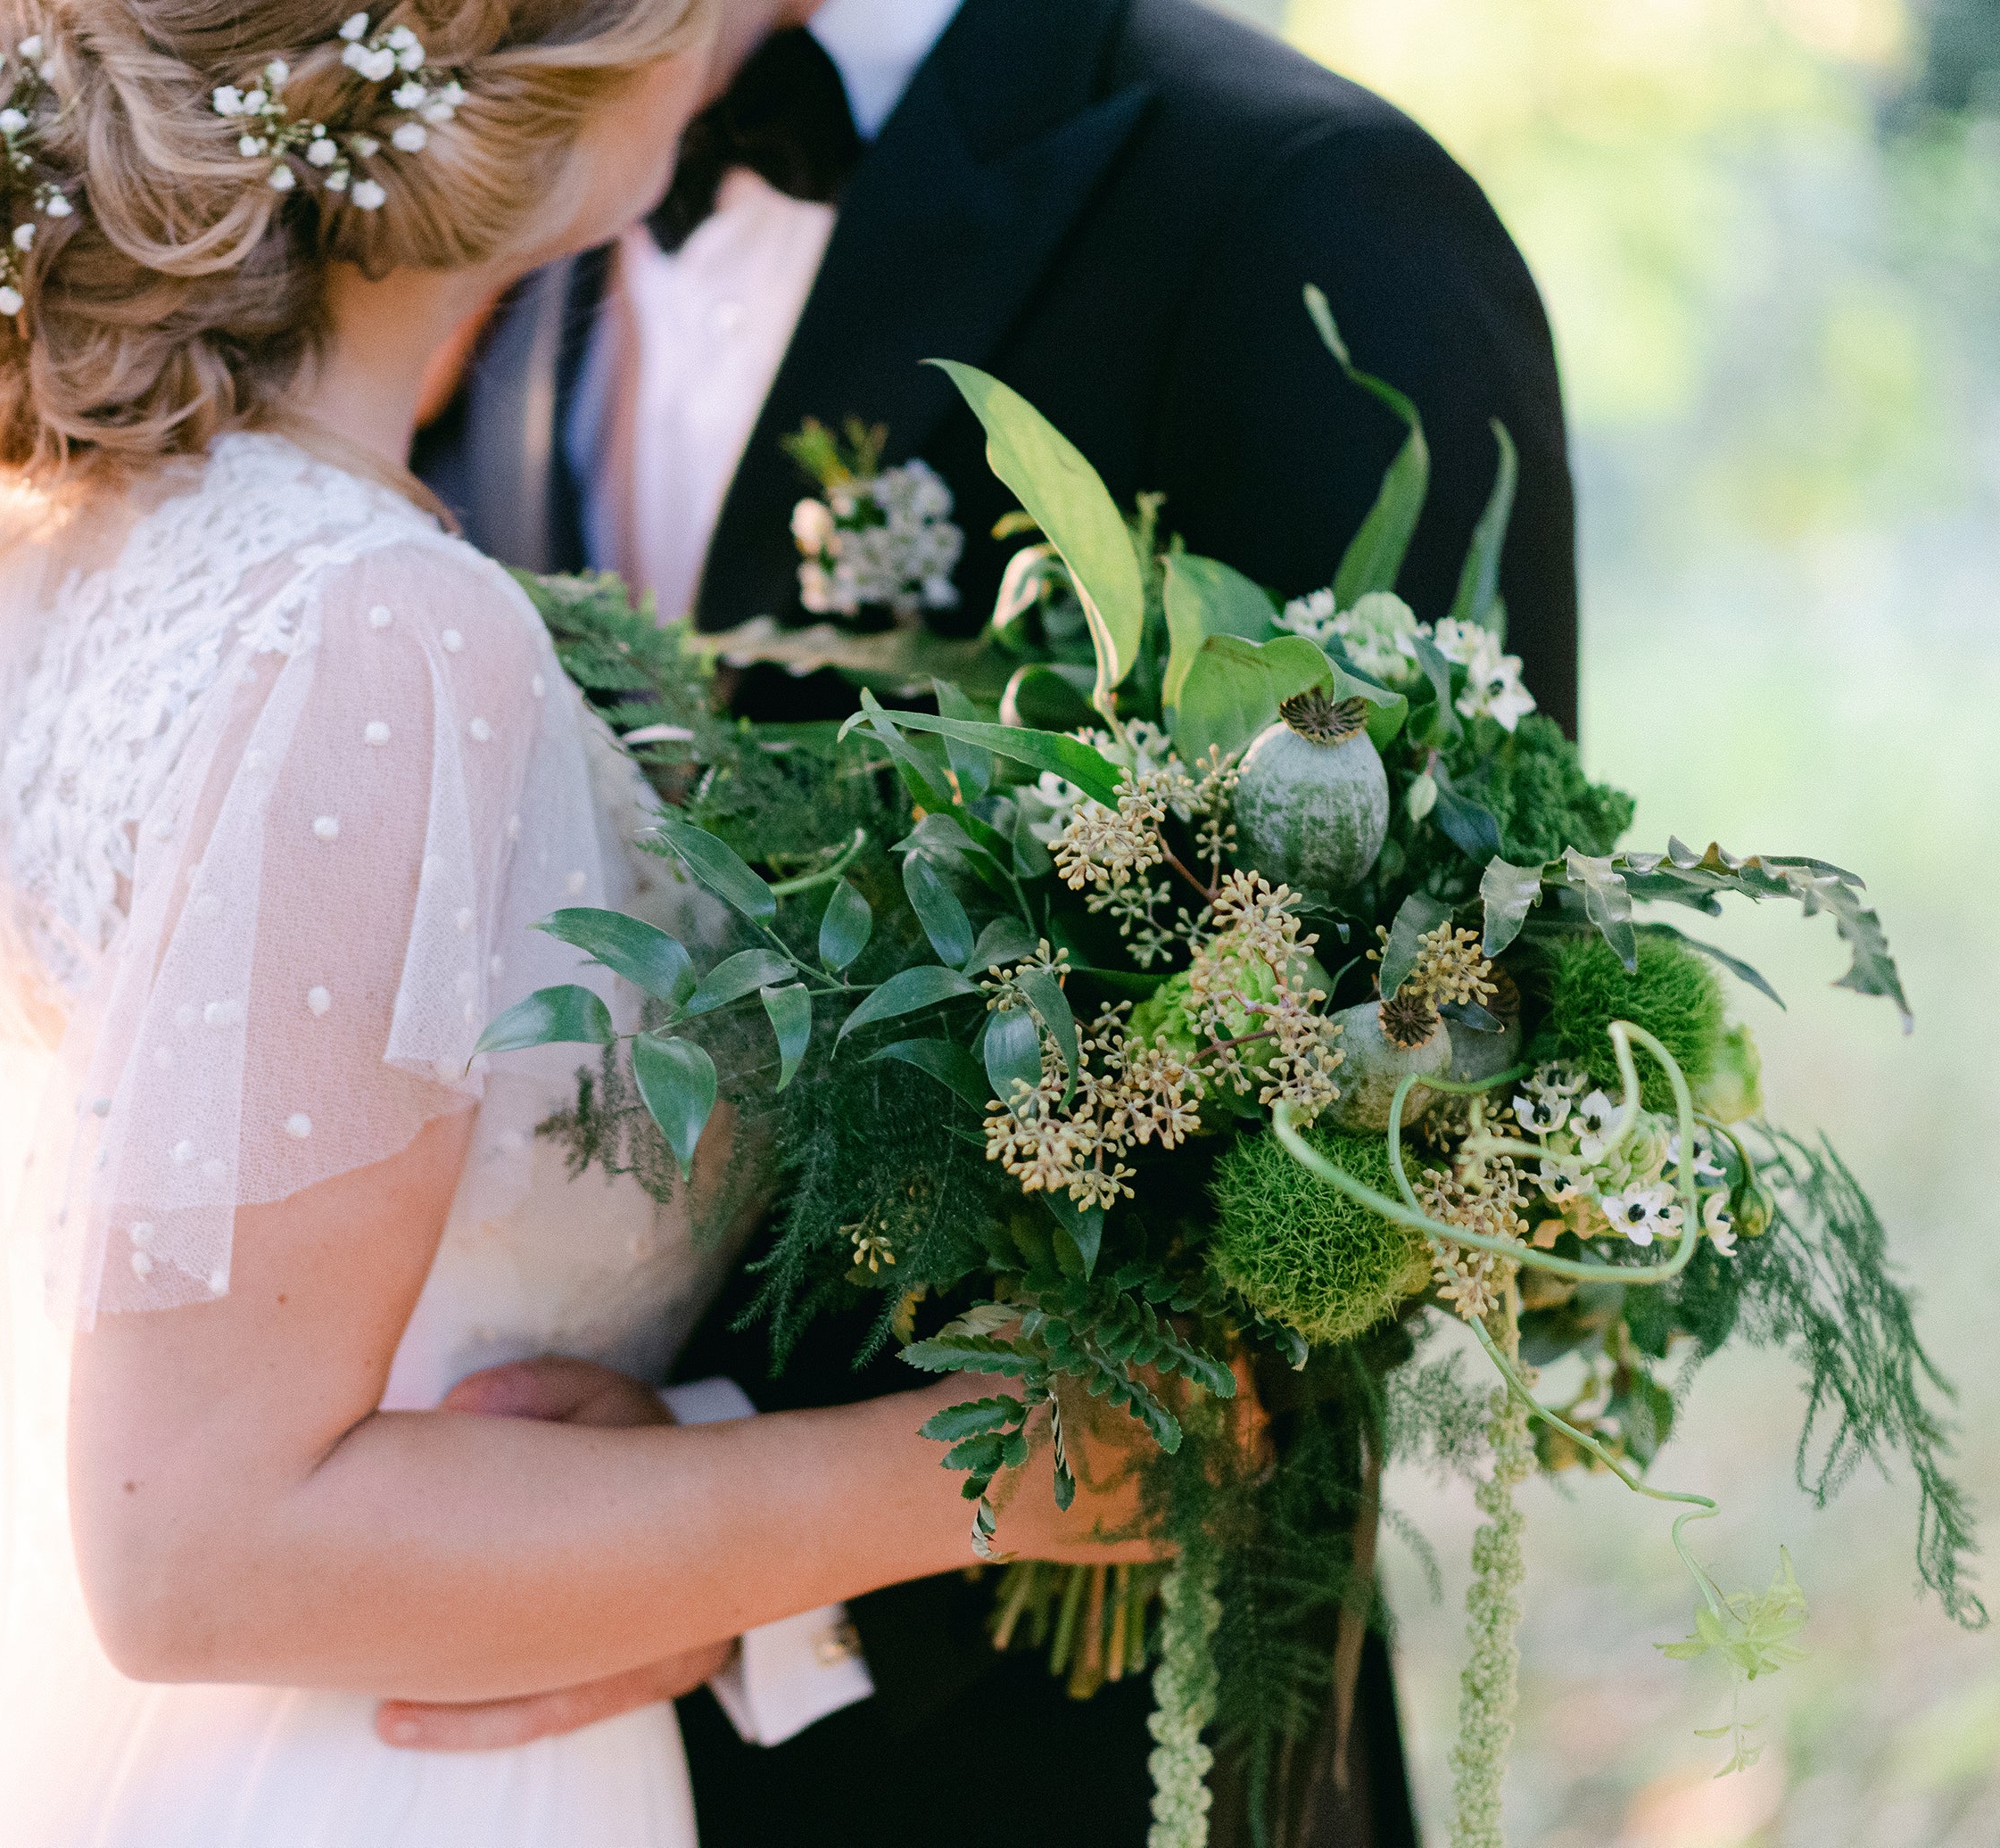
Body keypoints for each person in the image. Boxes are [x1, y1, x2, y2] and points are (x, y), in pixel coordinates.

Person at [0, 4, 1162, 1845]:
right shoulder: (366, 627)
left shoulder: (52, 521)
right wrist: (995, 1470)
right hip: (381, 1778)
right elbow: (202, 1544)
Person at [409, 1, 1581, 1842]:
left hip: (1057, 1736)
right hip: (489, 1704)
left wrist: (729, 1525)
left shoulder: (1292, 206)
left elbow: (1411, 1061)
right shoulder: (479, 160)